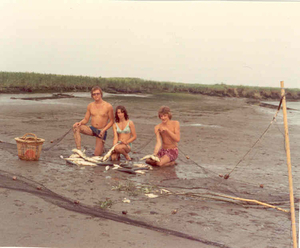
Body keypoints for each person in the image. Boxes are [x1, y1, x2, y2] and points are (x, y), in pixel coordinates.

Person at [73, 86, 114, 156]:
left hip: (101, 131)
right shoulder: (90, 106)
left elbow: (112, 121)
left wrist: (104, 130)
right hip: (92, 129)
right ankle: (79, 151)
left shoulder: (108, 106)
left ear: (101, 94)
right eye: (94, 94)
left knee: (97, 155)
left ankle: (101, 147)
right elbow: (86, 119)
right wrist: (80, 123)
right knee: (76, 127)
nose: (96, 95)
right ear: (92, 96)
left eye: (98, 93)